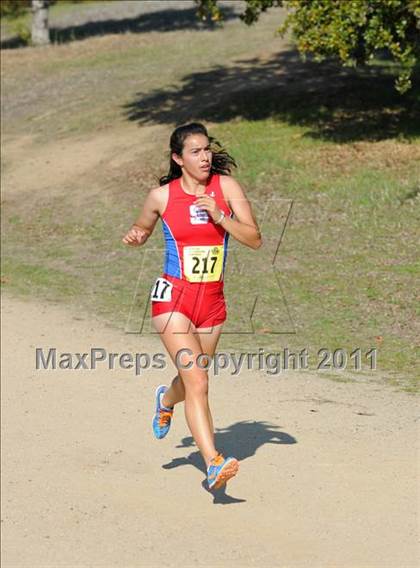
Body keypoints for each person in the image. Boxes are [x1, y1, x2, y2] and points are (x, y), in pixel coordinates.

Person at [122, 123, 262, 490]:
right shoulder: (161, 196)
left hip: (212, 302)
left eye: (207, 149)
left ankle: (166, 400)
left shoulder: (227, 188)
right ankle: (214, 462)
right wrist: (137, 237)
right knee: (198, 381)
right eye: (196, 151)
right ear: (178, 158)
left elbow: (255, 239)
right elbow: (142, 228)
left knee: (190, 382)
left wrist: (220, 215)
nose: (205, 157)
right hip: (173, 298)